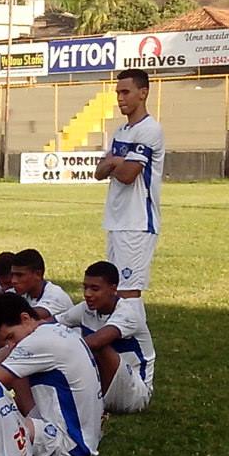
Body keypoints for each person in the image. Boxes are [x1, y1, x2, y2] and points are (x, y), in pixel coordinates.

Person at [0, 293, 104, 456]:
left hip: (70, 444)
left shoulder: (36, 343)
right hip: (86, 433)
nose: (11, 345)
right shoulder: (53, 329)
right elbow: (4, 359)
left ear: (25, 318)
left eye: (10, 336)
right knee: (15, 371)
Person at [93, 68, 164, 298]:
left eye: (125, 92)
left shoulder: (150, 129)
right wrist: (116, 161)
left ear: (143, 93)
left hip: (137, 222)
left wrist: (114, 164)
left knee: (128, 293)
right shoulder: (121, 131)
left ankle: (136, 336)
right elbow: (99, 172)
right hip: (116, 220)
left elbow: (128, 175)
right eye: (117, 93)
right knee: (116, 293)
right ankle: (134, 335)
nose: (120, 98)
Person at [55, 261, 155, 414]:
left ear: (113, 289)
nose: (87, 294)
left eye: (95, 289)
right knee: (66, 334)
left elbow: (95, 342)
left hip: (135, 393)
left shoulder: (127, 313)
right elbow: (52, 324)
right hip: (105, 384)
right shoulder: (85, 308)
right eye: (85, 287)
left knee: (96, 345)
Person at [9, 248, 74, 319]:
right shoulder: (19, 292)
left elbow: (30, 317)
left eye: (19, 275)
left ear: (38, 274)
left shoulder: (56, 296)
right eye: (12, 275)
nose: (13, 280)